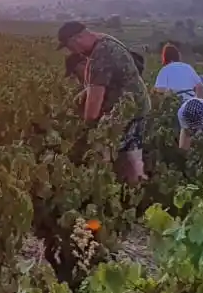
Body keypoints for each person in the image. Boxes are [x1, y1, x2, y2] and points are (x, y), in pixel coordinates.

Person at [58, 21, 150, 184]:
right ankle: (133, 187)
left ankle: (124, 190)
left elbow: (93, 109)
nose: (73, 52)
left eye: (70, 47)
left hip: (127, 112)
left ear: (77, 39)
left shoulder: (101, 56)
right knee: (132, 153)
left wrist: (85, 132)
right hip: (136, 106)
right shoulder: (104, 39)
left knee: (115, 157)